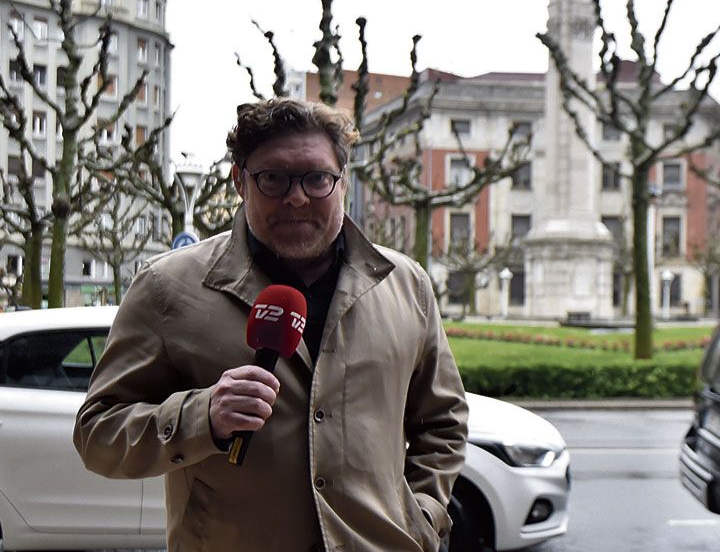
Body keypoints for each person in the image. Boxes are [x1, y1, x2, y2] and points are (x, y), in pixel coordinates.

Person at [74, 98, 468, 551]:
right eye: (273, 179)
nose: (296, 197)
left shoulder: (406, 286)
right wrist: (203, 417)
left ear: (342, 182)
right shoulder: (166, 288)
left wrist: (423, 514)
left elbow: (443, 420)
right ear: (240, 181)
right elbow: (97, 434)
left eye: (317, 178)